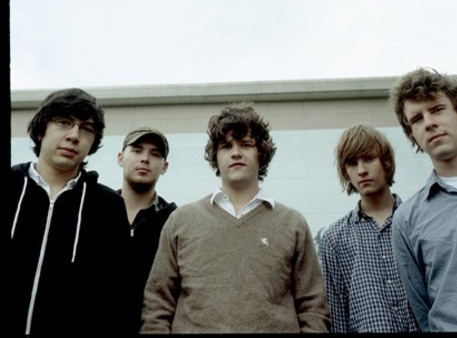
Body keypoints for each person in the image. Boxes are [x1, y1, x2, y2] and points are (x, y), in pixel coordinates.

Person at [140, 102, 331, 333]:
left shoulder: (293, 224)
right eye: (226, 146)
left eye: (246, 144)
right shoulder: (181, 221)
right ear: (216, 156)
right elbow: (157, 305)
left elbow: (313, 308)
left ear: (261, 153)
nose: (236, 153)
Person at [5, 88, 132, 336]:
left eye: (86, 129)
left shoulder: (109, 206)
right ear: (41, 130)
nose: (74, 136)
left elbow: (118, 296)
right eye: (64, 122)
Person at [389, 67, 457, 332]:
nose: (428, 123)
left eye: (437, 109)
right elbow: (421, 309)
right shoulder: (406, 219)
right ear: (412, 135)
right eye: (417, 119)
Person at [320, 124, 419, 333]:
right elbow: (337, 315)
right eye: (352, 163)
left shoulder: (418, 221)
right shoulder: (335, 238)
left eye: (369, 159)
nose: (362, 170)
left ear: (386, 162)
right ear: (345, 171)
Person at [117, 126, 177, 334]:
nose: (145, 159)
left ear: (164, 167)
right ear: (120, 158)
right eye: (137, 150)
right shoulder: (95, 211)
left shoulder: (175, 221)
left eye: (155, 154)